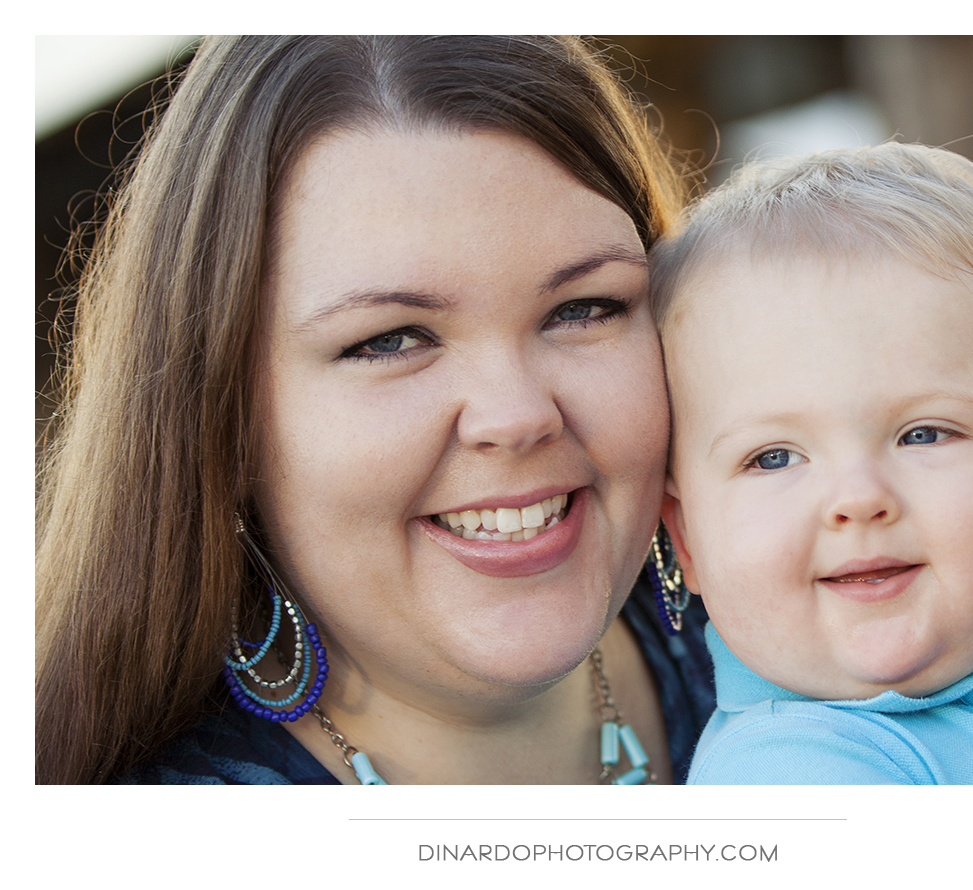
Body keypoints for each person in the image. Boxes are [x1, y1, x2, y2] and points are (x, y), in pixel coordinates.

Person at [35, 35, 715, 785]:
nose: (517, 415)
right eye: (390, 339)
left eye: (583, 308)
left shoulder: (817, 630)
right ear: (221, 417)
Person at [651, 143, 973, 784]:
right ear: (688, 537)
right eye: (774, 457)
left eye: (923, 435)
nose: (858, 498)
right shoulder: (787, 768)